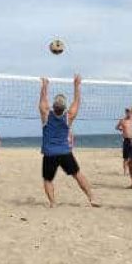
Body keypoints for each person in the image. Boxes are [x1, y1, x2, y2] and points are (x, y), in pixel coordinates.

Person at [38, 75, 99, 208]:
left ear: (53, 106)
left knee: (48, 179)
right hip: (65, 152)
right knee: (77, 174)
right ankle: (91, 198)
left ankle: (53, 203)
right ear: (64, 107)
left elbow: (42, 102)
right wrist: (76, 86)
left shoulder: (46, 115)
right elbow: (77, 102)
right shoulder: (69, 116)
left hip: (50, 154)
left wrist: (44, 85)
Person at [115, 108, 132, 176]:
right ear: (126, 113)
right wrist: (121, 129)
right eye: (127, 112)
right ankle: (125, 172)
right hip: (126, 140)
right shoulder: (122, 120)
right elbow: (116, 127)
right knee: (125, 157)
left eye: (130, 112)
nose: (129, 113)